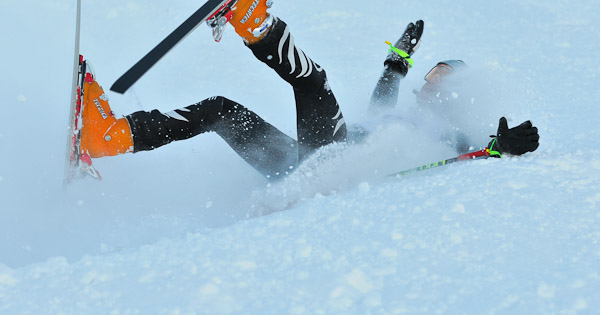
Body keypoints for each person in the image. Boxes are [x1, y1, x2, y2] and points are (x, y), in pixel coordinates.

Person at [79, 0, 539, 181]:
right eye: (430, 73)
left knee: (313, 82)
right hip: (302, 165)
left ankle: (254, 22)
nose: (429, 80)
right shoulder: (397, 115)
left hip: (334, 163)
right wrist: (399, 56)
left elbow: (477, 149)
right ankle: (110, 137)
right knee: (220, 110)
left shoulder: (440, 131)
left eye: (440, 76)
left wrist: (503, 146)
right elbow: (385, 91)